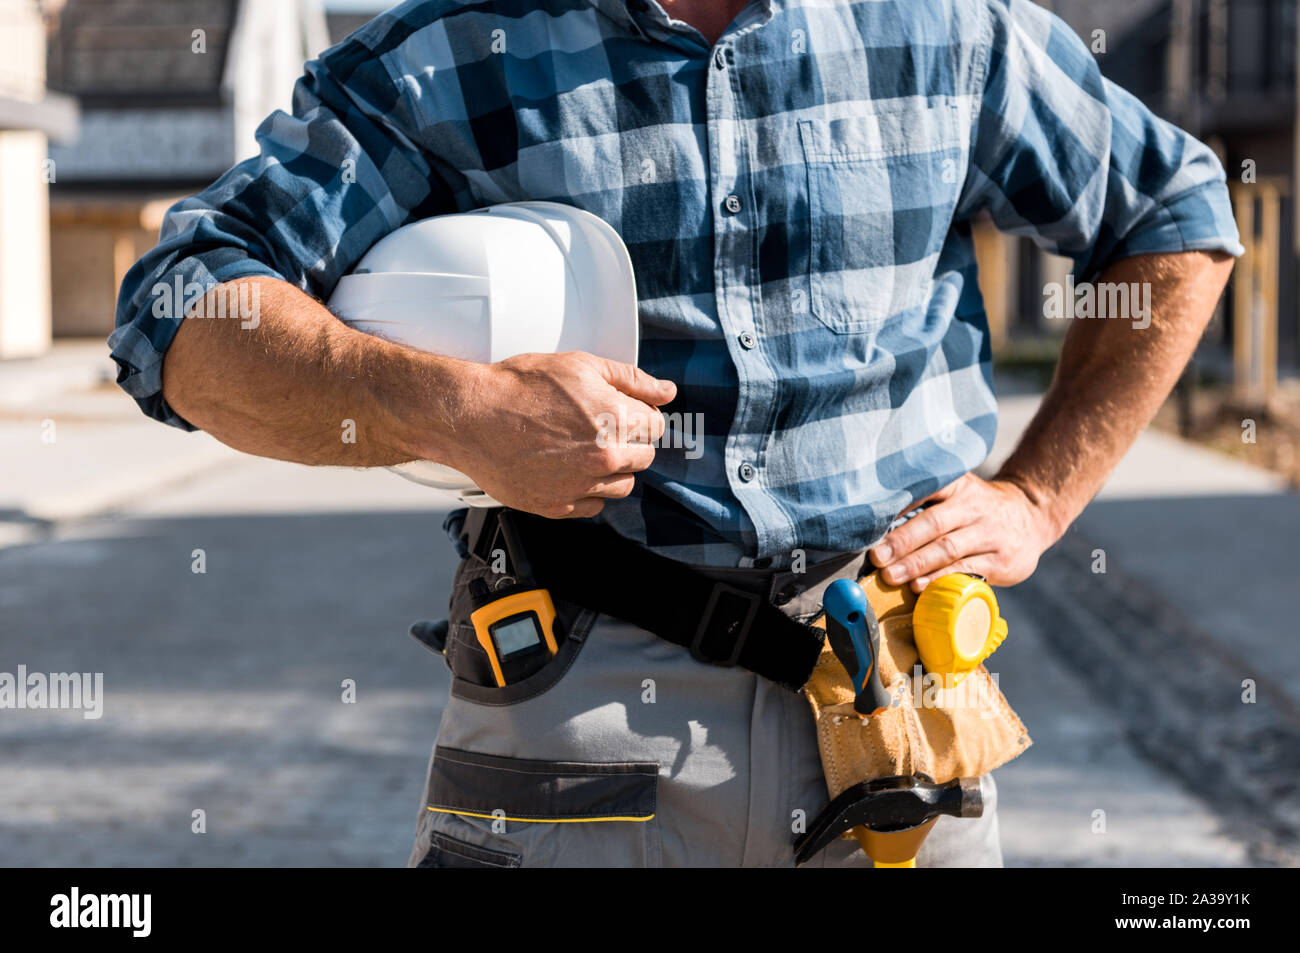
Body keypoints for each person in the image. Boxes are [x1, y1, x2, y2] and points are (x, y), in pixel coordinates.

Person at [111, 0, 1241, 867]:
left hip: (900, 708)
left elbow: (1171, 214)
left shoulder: (947, 30)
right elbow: (175, 308)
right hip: (578, 708)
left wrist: (1041, 497)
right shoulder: (446, 53)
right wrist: (447, 405)